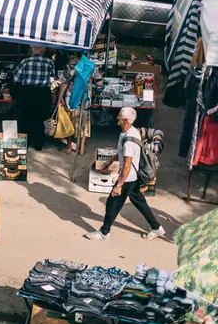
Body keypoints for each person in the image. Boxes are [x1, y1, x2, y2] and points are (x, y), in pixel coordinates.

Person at [87, 107, 165, 242]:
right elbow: (121, 152)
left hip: (127, 178)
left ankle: (104, 232)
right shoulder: (131, 132)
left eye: (119, 116)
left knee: (112, 203)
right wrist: (110, 162)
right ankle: (156, 227)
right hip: (132, 177)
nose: (117, 118)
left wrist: (119, 185)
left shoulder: (129, 141)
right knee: (139, 202)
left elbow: (127, 165)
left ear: (124, 120)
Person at [12, 46, 55, 151]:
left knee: (25, 118)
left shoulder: (25, 62)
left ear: (33, 50)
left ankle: (24, 143)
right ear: (43, 50)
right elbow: (52, 77)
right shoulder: (50, 62)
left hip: (28, 92)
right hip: (43, 93)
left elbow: (16, 78)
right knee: (40, 118)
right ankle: (38, 144)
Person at [57, 53, 100, 155]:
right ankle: (81, 148)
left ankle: (68, 147)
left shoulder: (71, 65)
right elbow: (99, 82)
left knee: (69, 121)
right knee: (84, 121)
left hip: (71, 98)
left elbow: (64, 82)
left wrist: (60, 96)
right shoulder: (92, 66)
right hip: (86, 97)